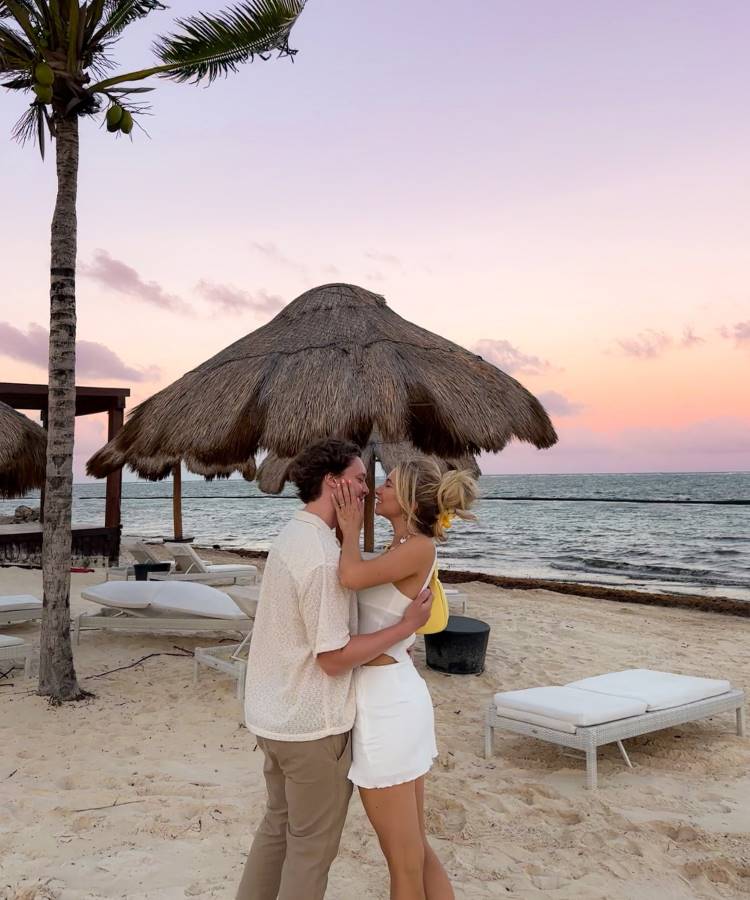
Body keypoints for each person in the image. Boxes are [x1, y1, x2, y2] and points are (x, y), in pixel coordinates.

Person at [237, 438, 432, 900]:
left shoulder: (294, 534)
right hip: (311, 725)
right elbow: (332, 659)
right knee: (310, 850)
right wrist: (405, 628)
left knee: (276, 829)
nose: (367, 489)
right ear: (334, 482)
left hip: (272, 715)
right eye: (361, 479)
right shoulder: (324, 557)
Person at [332, 458, 478, 900]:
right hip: (391, 695)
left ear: (411, 500)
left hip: (387, 708)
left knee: (403, 861)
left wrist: (350, 528)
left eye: (389, 484)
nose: (378, 488)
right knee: (414, 851)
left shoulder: (418, 547)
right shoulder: (404, 547)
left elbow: (350, 576)